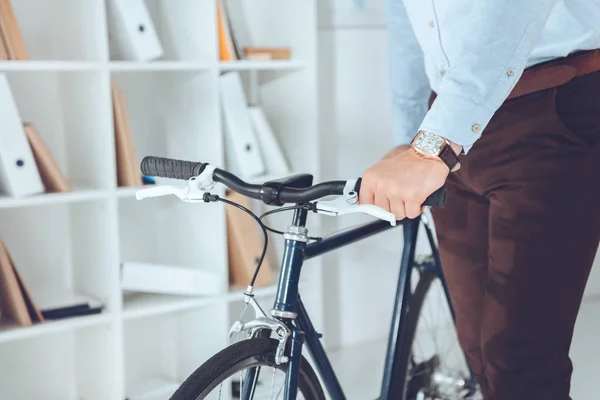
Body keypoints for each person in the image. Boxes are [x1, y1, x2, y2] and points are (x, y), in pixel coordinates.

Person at [358, 1, 600, 399]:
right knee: (479, 352)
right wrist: (409, 137)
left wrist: (432, 147)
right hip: (450, 123)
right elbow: (406, 22)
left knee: (521, 363)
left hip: (546, 102)